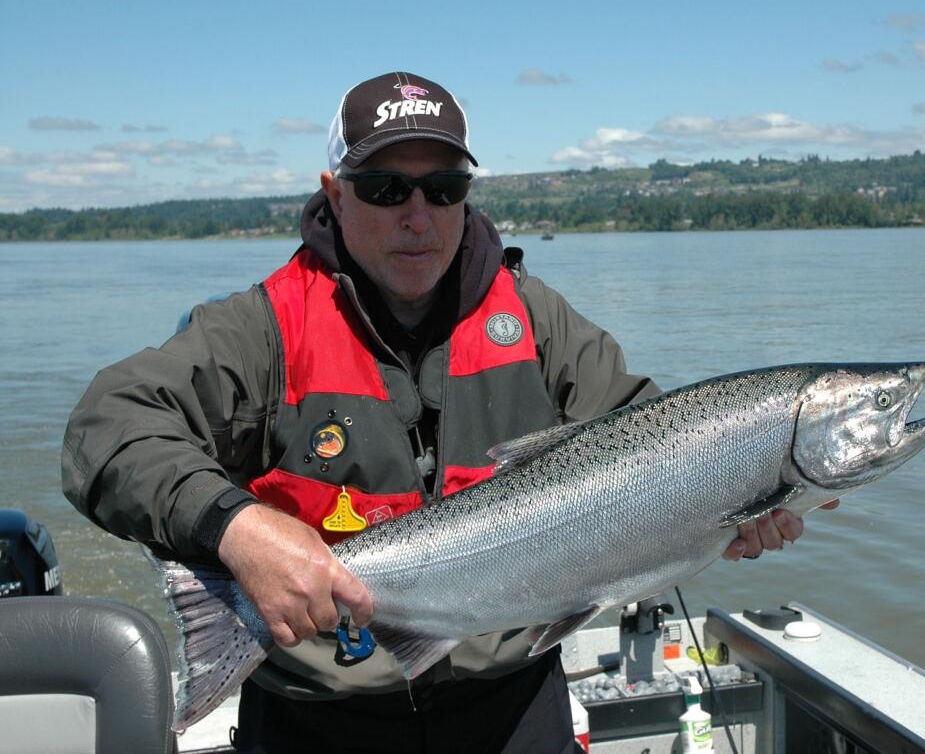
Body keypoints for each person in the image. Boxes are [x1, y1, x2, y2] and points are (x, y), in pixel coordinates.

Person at [62, 71, 818, 753]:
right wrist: (233, 525)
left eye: (445, 187)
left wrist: (730, 502)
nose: (418, 214)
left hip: (516, 710)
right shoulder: (263, 330)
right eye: (387, 188)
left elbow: (656, 441)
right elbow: (106, 427)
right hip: (317, 723)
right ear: (335, 193)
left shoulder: (536, 319)